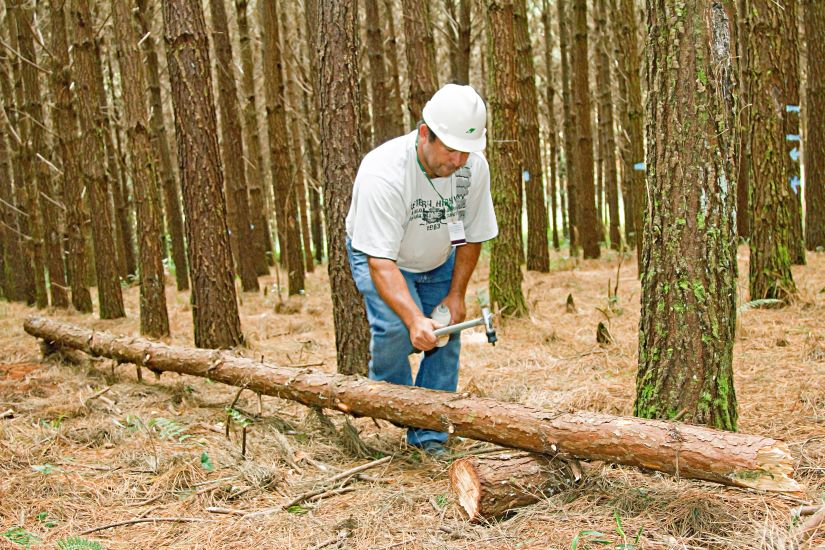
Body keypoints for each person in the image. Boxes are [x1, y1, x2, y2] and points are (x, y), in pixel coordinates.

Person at [346, 84, 498, 456]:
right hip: (384, 257)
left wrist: (457, 294)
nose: (459, 161)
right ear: (425, 134)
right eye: (450, 150)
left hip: (440, 257)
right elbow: (380, 262)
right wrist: (415, 319)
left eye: (466, 151)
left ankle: (429, 435)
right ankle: (392, 400)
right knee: (398, 330)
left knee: (444, 336)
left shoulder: (472, 167)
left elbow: (473, 235)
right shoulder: (383, 173)